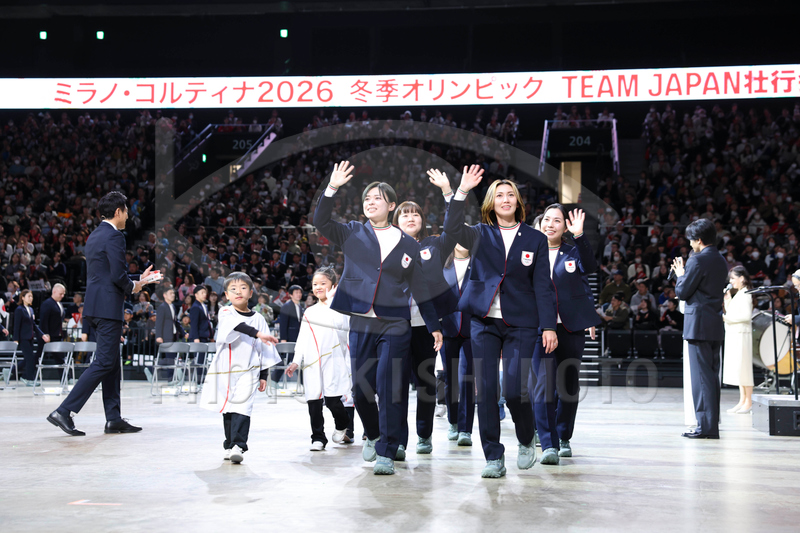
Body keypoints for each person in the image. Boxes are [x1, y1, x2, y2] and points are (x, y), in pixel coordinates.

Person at [314, 161, 442, 476]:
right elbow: (320, 221)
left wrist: (434, 326)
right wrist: (332, 187)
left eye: (378, 198)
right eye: (367, 199)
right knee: (361, 389)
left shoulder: (408, 243)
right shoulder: (352, 232)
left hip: (395, 323)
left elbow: (420, 287)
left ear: (391, 205)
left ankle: (386, 450)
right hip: (361, 320)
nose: (371, 203)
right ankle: (373, 434)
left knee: (390, 387)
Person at [443, 166, 558, 479]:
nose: (505, 199)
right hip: (483, 322)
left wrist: (549, 326)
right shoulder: (479, 233)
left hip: (521, 323)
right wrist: (461, 192)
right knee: (486, 391)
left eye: (510, 195)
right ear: (491, 203)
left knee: (515, 390)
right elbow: (451, 227)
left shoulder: (535, 238)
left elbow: (543, 286)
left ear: (517, 202)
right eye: (499, 196)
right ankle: (493, 456)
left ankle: (526, 437)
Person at [48, 191, 159, 436]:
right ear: (118, 211)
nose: (128, 216)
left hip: (96, 306)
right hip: (108, 308)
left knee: (112, 363)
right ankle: (64, 411)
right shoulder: (115, 236)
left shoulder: (95, 235)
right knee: (105, 362)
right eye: (126, 211)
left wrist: (138, 279)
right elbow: (118, 277)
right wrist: (135, 286)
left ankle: (113, 418)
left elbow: (107, 274)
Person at [531, 204, 601, 463]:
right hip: (539, 328)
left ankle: (563, 436)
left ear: (564, 227)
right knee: (543, 385)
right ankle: (547, 442)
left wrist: (580, 236)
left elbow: (589, 270)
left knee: (568, 386)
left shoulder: (572, 252)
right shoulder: (528, 253)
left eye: (557, 221)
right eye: (547, 219)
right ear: (540, 224)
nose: (550, 224)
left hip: (570, 327)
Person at [392, 194, 458, 455]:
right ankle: (398, 440)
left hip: (427, 326)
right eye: (405, 214)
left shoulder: (433, 245)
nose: (411, 218)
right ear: (396, 221)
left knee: (426, 382)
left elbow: (453, 228)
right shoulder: (388, 247)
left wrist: (449, 194)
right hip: (395, 324)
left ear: (423, 220)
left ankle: (424, 434)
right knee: (396, 384)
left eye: (415, 213)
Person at [198, 272, 280, 464]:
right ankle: (229, 444)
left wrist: (263, 374)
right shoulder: (225, 312)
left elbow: (264, 349)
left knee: (243, 406)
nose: (238, 292)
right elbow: (237, 326)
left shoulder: (259, 318)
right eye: (233, 289)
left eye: (243, 288)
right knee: (229, 407)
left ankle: (239, 445)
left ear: (250, 293)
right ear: (227, 295)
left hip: (249, 370)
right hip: (226, 370)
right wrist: (258, 333)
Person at [426, 169, 475, 447]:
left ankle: (466, 429)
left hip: (472, 329)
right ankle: (455, 422)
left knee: (467, 378)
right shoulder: (440, 265)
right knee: (451, 379)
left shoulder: (479, 264)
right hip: (447, 329)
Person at [285, 267, 353, 451]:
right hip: (312, 362)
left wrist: (332, 302)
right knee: (313, 401)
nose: (318, 287)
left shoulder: (342, 309)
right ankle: (318, 437)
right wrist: (296, 361)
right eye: (315, 284)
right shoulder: (309, 312)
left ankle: (343, 423)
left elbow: (345, 333)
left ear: (334, 285)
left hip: (333, 360)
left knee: (332, 401)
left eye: (323, 283)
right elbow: (302, 338)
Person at [673, 218, 728, 439]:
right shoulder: (721, 259)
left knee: (702, 378)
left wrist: (680, 275)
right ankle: (711, 425)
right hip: (714, 323)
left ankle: (705, 427)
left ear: (699, 240)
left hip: (698, 325)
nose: (690, 244)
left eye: (691, 240)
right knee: (712, 377)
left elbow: (682, 292)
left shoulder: (697, 260)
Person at [722, 266, 754, 414]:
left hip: (742, 334)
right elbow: (732, 312)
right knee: (740, 369)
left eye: (733, 278)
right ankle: (742, 400)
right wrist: (728, 300)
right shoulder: (740, 293)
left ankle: (748, 402)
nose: (731, 281)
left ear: (742, 278)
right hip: (736, 333)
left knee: (744, 368)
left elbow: (746, 316)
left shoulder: (746, 293)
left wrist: (726, 318)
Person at [14, 289, 50, 385]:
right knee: (30, 358)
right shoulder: (19, 309)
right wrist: (16, 339)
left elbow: (33, 325)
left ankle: (11, 371)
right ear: (22, 297)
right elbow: (16, 325)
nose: (31, 298)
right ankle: (29, 378)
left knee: (28, 358)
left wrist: (42, 334)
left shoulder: (30, 309)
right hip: (23, 338)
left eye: (32, 296)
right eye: (29, 296)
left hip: (30, 337)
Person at [270, 284, 304, 388]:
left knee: (294, 360)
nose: (299, 294)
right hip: (288, 338)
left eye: (300, 292)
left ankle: (274, 381)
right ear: (290, 295)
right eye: (296, 292)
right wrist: (283, 339)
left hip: (297, 338)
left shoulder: (299, 306)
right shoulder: (286, 306)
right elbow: (283, 324)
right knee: (289, 360)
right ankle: (273, 381)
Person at [39, 283, 67, 362]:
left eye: (63, 294)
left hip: (58, 335)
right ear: (54, 292)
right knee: (38, 356)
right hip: (49, 335)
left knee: (60, 358)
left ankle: (65, 371)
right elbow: (44, 320)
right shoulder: (47, 303)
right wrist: (46, 334)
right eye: (60, 294)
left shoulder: (59, 304)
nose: (62, 296)